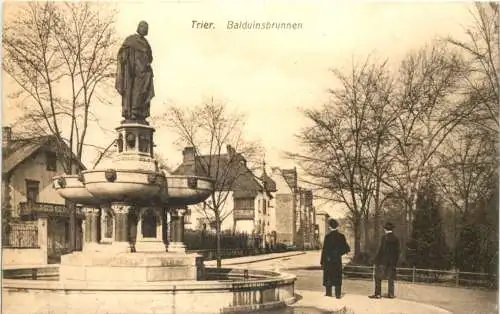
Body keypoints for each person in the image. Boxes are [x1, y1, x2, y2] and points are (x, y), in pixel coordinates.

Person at [115, 20, 155, 123]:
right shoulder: (131, 40)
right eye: (144, 27)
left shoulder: (146, 43)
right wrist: (124, 58)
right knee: (133, 92)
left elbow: (150, 58)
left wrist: (146, 63)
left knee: (144, 92)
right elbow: (121, 52)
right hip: (133, 73)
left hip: (144, 73)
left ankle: (141, 114)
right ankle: (132, 113)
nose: (145, 30)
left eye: (147, 28)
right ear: (139, 28)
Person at [320, 219, 351, 298]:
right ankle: (338, 295)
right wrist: (338, 254)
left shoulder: (327, 237)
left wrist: (322, 262)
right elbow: (347, 249)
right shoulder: (341, 236)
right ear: (337, 227)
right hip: (337, 260)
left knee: (328, 278)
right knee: (337, 277)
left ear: (330, 227)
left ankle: (328, 294)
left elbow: (324, 250)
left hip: (328, 260)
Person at [369, 222, 400, 299]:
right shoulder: (396, 239)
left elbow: (381, 250)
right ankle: (391, 294)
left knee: (377, 277)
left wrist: (376, 260)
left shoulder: (384, 238)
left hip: (383, 261)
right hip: (392, 262)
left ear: (385, 229)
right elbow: (398, 251)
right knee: (391, 278)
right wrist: (395, 261)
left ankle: (378, 294)